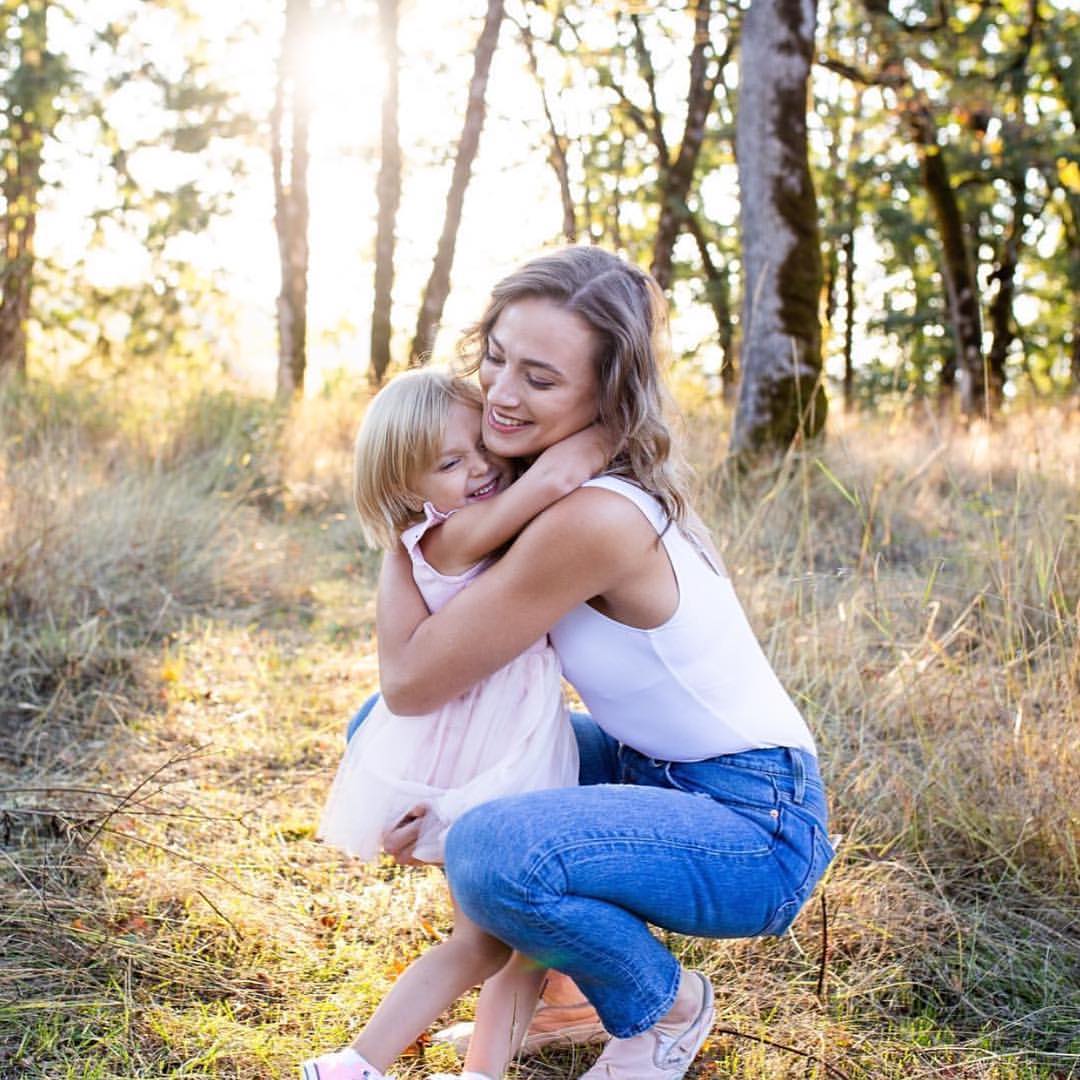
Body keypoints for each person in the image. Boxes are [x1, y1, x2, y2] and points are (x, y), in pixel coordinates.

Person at [374, 246, 836, 1080]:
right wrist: (416, 521)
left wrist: (413, 528)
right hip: (647, 770)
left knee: (490, 846)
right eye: (496, 359)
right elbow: (409, 686)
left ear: (603, 394)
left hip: (754, 823)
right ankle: (568, 998)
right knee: (397, 742)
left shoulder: (591, 516)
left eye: (541, 380)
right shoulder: (543, 486)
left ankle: (665, 1006)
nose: (503, 396)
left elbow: (413, 678)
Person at [303, 368, 608, 1080]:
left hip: (509, 744)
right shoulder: (447, 538)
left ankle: (468, 1072)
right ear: (410, 491)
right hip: (492, 759)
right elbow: (551, 482)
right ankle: (356, 1063)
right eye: (449, 463)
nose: (478, 470)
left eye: (480, 447)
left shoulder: (457, 525)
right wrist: (612, 420)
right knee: (483, 941)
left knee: (513, 941)